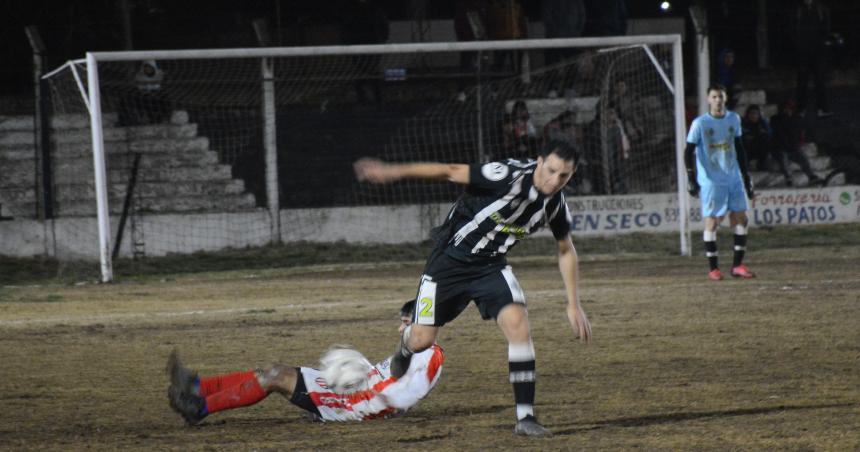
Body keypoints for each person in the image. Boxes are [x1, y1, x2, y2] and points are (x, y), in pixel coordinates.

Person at [353, 140, 593, 437]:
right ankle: (403, 347)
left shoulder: (555, 204)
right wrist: (392, 171)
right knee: (421, 341)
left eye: (564, 176)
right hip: (448, 264)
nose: (554, 180)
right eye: (552, 170)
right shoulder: (505, 174)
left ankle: (526, 417)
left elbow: (566, 249)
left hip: (490, 268)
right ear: (540, 160)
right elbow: (449, 171)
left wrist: (573, 303)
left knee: (518, 323)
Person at [166, 300, 444, 425]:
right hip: (355, 392)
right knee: (270, 370)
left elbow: (406, 391)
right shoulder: (415, 347)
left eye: (406, 323)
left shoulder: (430, 355)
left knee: (274, 377)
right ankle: (197, 386)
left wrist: (381, 407)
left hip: (357, 403)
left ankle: (199, 408)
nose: (400, 329)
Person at [684, 83, 756, 281]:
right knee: (712, 222)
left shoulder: (734, 119)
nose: (718, 100)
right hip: (711, 180)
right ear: (708, 100)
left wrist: (746, 177)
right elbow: (688, 151)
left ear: (725, 99)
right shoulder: (700, 124)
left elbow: (740, 148)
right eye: (714, 97)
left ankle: (737, 266)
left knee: (742, 219)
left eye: (721, 97)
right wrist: (691, 178)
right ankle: (713, 269)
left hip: (733, 178)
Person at [770, 100, 823, 187]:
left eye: (790, 109)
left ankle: (812, 177)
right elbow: (780, 134)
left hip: (793, 148)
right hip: (780, 148)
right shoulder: (775, 119)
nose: (787, 110)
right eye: (786, 108)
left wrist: (796, 146)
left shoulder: (796, 119)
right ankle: (788, 178)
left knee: (803, 159)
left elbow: (798, 134)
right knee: (783, 159)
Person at [795, 0, 833, 118]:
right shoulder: (798, 10)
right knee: (802, 82)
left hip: (818, 52)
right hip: (802, 52)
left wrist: (823, 43)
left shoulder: (821, 9)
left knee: (820, 81)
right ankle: (801, 109)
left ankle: (822, 108)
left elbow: (827, 27)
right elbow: (791, 28)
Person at [741, 105, 772, 171]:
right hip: (747, 148)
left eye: (755, 113)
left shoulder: (762, 123)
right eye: (751, 113)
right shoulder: (744, 123)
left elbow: (769, 133)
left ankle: (761, 163)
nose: (753, 116)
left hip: (759, 148)